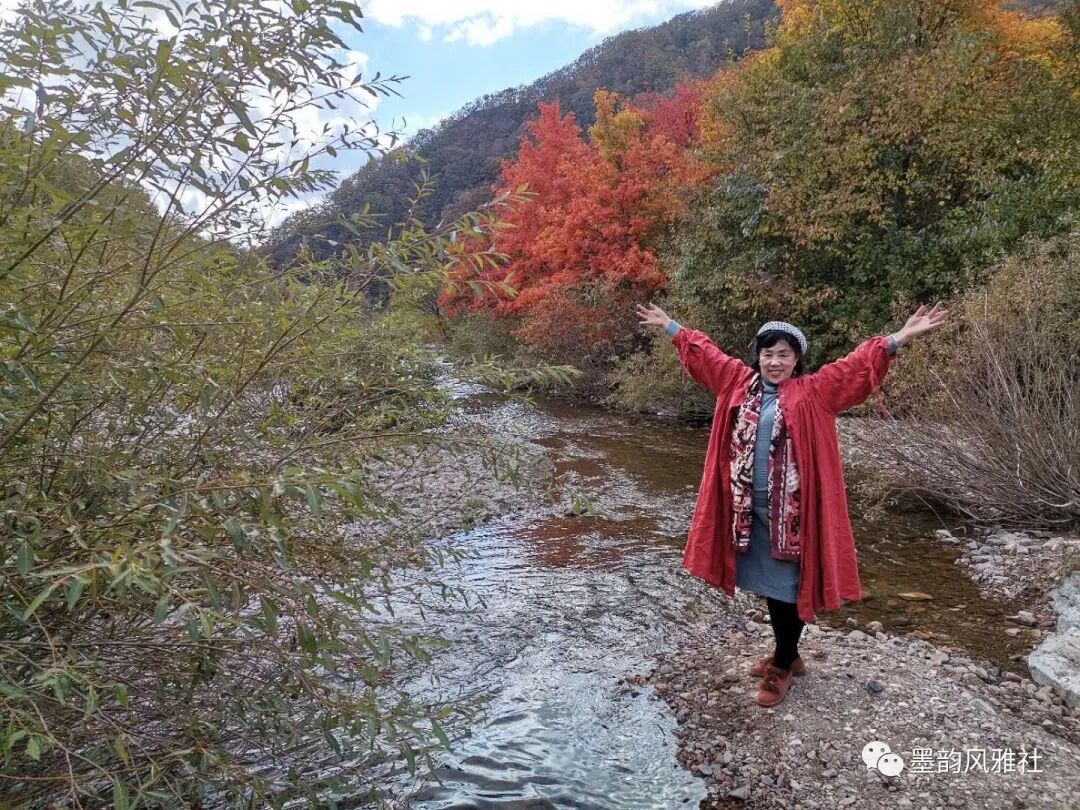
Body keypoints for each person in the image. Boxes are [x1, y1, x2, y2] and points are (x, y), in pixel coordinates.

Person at [635, 303, 949, 707]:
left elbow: (855, 366)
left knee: (788, 586)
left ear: (796, 358)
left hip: (794, 513)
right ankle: (789, 653)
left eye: (783, 354)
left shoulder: (815, 390)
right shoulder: (737, 382)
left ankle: (782, 665)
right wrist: (671, 327)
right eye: (768, 353)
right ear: (758, 356)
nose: (775, 361)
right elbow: (706, 354)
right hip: (748, 509)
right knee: (772, 584)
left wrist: (898, 338)